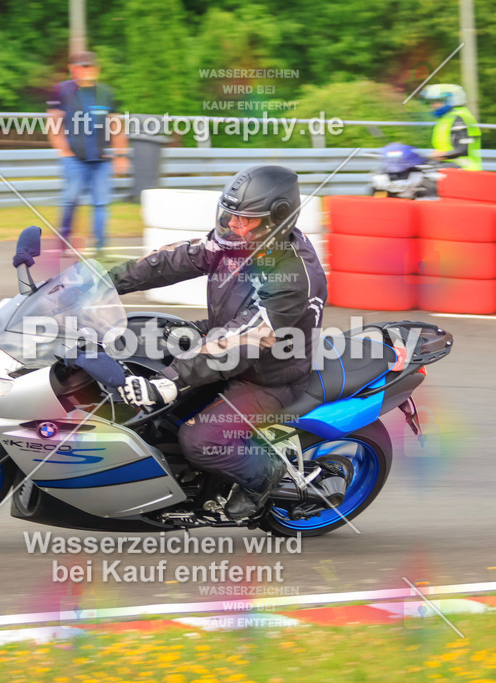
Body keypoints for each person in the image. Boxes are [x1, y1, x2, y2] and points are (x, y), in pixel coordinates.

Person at [109, 165, 327, 520]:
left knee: (200, 440)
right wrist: (105, 281)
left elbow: (241, 342)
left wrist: (172, 380)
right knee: (135, 338)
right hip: (221, 334)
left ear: (278, 219)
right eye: (231, 217)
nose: (235, 226)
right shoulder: (234, 238)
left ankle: (264, 476)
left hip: (266, 375)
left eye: (247, 220)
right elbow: (175, 260)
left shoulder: (290, 279)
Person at [46, 51, 129, 257]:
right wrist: (63, 151)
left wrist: (120, 154)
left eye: (89, 66)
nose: (85, 70)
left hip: (100, 161)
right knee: (71, 199)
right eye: (81, 66)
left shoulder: (106, 93)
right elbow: (53, 122)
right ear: (73, 68)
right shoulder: (61, 91)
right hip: (74, 159)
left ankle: (100, 247)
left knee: (101, 203)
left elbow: (117, 126)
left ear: (96, 69)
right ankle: (64, 241)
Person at [420, 84, 482, 171]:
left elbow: (462, 149)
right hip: (449, 166)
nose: (433, 105)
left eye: (437, 101)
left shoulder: (460, 118)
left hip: (465, 169)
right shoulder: (447, 118)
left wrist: (440, 155)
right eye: (431, 102)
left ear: (452, 99)